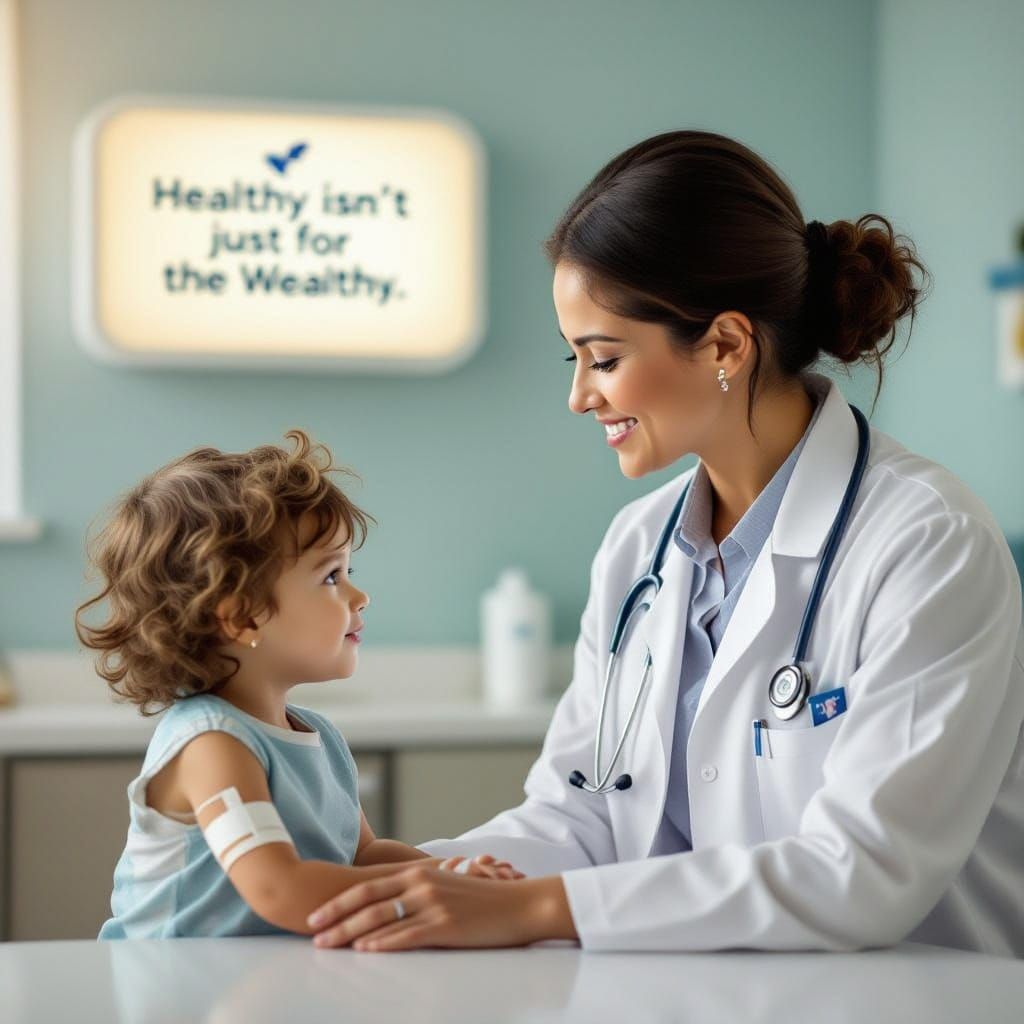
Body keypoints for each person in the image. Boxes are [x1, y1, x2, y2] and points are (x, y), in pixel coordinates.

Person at [302, 129, 1024, 956]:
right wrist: (386, 886)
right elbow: (579, 815)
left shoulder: (929, 545)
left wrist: (539, 911)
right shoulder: (637, 547)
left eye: (603, 358)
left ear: (725, 344)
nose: (579, 396)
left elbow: (862, 873)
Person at [75, 429, 523, 940]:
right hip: (171, 990)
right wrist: (430, 891)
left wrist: (449, 876)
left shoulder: (319, 737)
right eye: (331, 576)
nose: (360, 595)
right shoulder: (211, 744)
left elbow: (363, 855)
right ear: (242, 616)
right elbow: (278, 891)